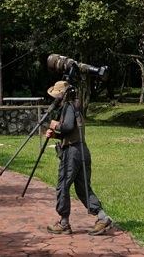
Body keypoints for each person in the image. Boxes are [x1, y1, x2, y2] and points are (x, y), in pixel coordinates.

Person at [43, 79, 114, 236]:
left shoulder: (68, 107)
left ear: (62, 96)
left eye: (55, 96)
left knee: (63, 185)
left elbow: (67, 126)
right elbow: (71, 131)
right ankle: (102, 217)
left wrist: (55, 126)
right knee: (82, 187)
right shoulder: (75, 107)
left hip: (72, 153)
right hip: (81, 150)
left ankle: (63, 223)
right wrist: (56, 135)